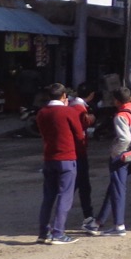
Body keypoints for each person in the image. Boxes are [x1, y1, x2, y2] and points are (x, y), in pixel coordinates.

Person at [36, 83, 85, 245]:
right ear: (64, 96)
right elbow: (79, 134)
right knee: (65, 196)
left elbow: (42, 133)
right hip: (67, 158)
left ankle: (44, 232)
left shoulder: (42, 113)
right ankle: (58, 233)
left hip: (49, 158)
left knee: (48, 196)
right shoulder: (68, 112)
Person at [98, 87, 131, 237]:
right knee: (116, 187)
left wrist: (115, 152)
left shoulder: (121, 116)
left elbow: (125, 139)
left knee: (118, 190)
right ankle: (99, 221)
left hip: (123, 156)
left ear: (116, 101)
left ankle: (119, 226)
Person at [69, 84, 98, 233]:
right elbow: (80, 132)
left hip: (71, 153)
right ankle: (88, 218)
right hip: (78, 153)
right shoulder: (80, 109)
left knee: (73, 187)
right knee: (81, 186)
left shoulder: (71, 105)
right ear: (91, 95)